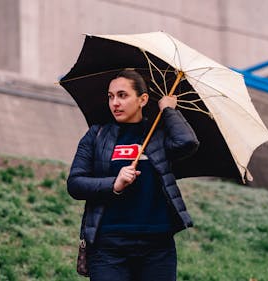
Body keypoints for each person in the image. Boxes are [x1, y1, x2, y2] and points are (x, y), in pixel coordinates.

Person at [67, 69, 199, 281]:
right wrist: (114, 184)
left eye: (122, 95)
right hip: (108, 246)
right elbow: (75, 184)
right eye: (111, 96)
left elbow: (187, 143)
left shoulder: (158, 135)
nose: (115, 103)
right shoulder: (96, 135)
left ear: (142, 99)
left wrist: (168, 111)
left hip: (157, 246)